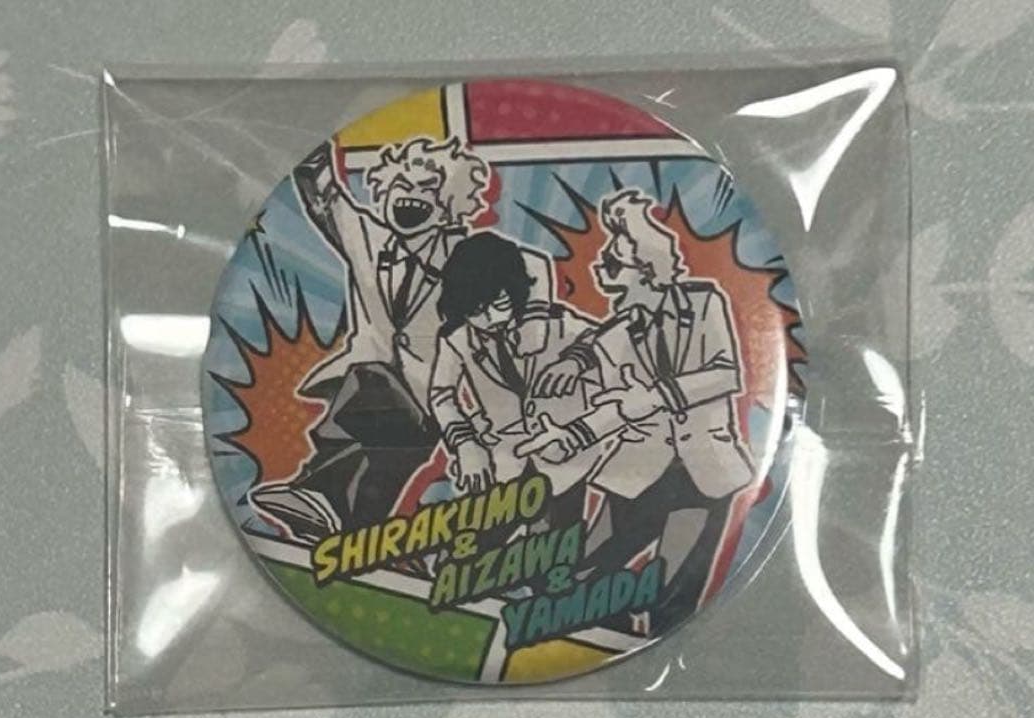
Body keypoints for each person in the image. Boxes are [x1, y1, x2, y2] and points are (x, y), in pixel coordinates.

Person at [250, 137, 550, 543]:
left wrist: (534, 319)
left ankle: (321, 498)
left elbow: (532, 264)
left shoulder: (467, 254)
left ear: (449, 203)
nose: (411, 196)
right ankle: (343, 531)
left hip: (430, 396)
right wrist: (303, 148)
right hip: (379, 391)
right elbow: (325, 197)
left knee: (373, 397)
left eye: (427, 188)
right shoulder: (369, 239)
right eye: (402, 185)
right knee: (376, 468)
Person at [517, 188, 753, 632]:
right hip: (639, 471)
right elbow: (613, 408)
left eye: (611, 263)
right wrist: (570, 437)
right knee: (584, 571)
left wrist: (655, 397)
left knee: (674, 593)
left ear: (646, 269)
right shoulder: (616, 333)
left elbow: (725, 374)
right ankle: (595, 629)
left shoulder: (704, 303)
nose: (598, 268)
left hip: (704, 472)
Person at [429, 231, 602, 532]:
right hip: (504, 461)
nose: (491, 318)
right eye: (476, 311)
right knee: (477, 543)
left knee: (555, 545)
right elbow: (441, 395)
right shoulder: (456, 339)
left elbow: (601, 340)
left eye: (500, 304)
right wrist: (466, 443)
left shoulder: (552, 323)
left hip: (564, 462)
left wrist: (574, 362)